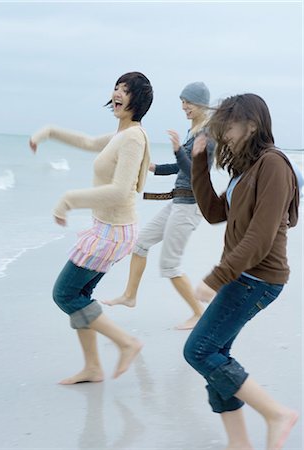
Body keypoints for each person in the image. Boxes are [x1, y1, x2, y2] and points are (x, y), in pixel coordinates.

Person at [183, 93, 299, 450]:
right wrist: (199, 163)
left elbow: (261, 237)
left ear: (252, 124)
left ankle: (277, 414)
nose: (225, 135)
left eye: (229, 127)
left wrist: (217, 276)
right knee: (215, 354)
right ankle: (239, 443)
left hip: (258, 279)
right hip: (244, 276)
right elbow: (215, 213)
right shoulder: (247, 167)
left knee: (199, 351)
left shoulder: (274, 165)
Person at [29, 72, 153, 384]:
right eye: (116, 87)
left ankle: (127, 343)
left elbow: (120, 190)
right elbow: (85, 141)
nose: (117, 93)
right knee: (79, 293)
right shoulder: (121, 135)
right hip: (108, 228)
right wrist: (48, 131)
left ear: (137, 101)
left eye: (125, 90)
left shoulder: (133, 138)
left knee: (65, 294)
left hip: (112, 231)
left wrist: (68, 200)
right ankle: (93, 367)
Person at [102, 82, 215, 330]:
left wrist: (176, 150)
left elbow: (196, 174)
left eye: (188, 102)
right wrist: (154, 168)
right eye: (182, 102)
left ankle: (199, 313)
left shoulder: (207, 135)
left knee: (170, 265)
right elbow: (180, 167)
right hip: (178, 202)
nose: (184, 107)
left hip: (190, 207)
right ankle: (130, 296)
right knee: (140, 243)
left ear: (201, 105)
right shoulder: (193, 131)